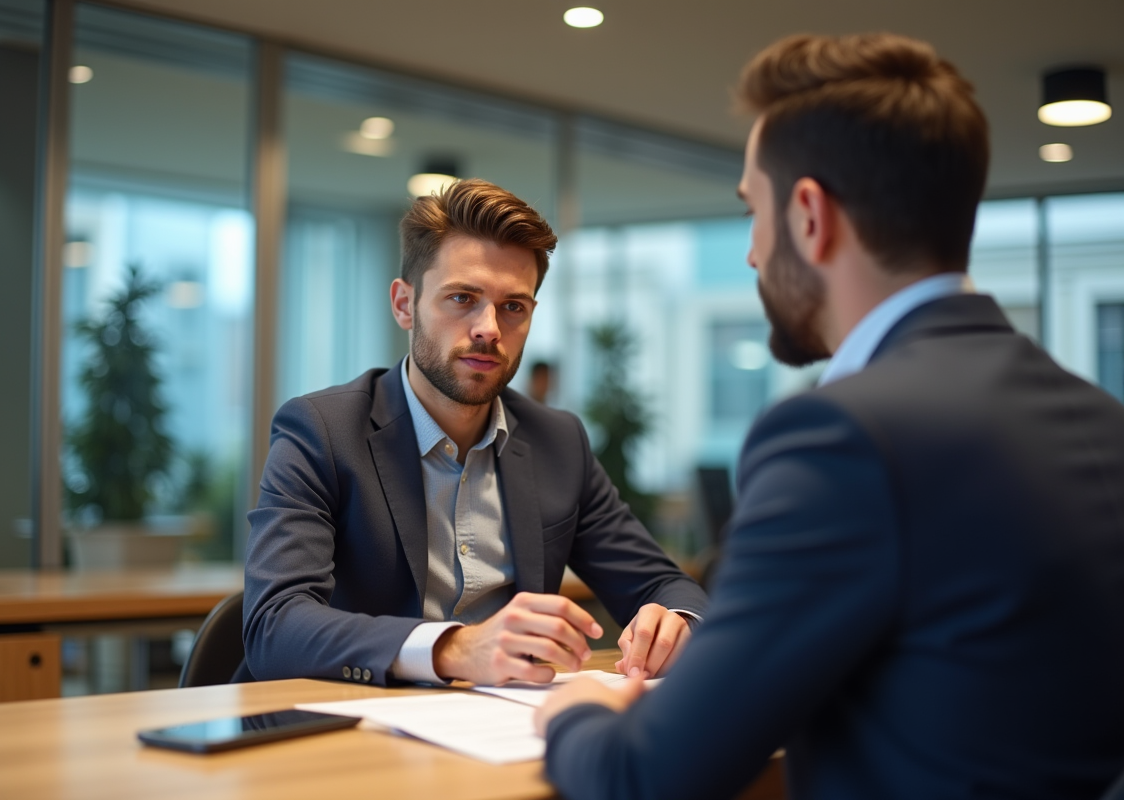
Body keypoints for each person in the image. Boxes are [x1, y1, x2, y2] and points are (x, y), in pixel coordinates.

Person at [537, 33, 1124, 799]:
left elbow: (644, 774)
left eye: (755, 211)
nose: (751, 252)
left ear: (810, 215)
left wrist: (576, 707)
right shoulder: (1098, 417)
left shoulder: (841, 438)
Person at [244, 179, 708, 688]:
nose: (488, 327)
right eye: (462, 298)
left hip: (505, 731)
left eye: (514, 306)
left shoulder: (559, 442)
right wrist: (455, 647)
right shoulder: (322, 431)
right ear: (404, 304)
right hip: (355, 729)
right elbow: (274, 625)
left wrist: (675, 624)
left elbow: (663, 585)